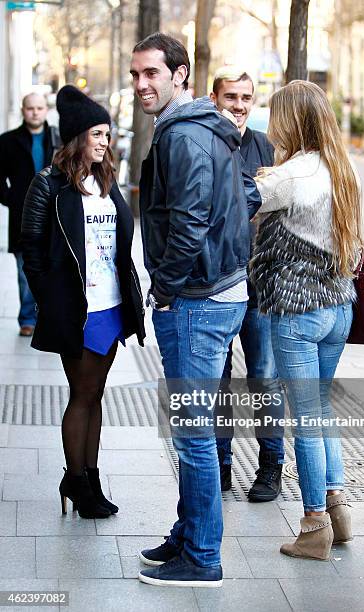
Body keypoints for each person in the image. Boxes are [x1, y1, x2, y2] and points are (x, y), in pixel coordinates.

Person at [130, 33, 260, 587]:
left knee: (193, 434)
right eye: (135, 74)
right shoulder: (206, 128)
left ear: (180, 75)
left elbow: (189, 222)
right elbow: (244, 198)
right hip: (216, 291)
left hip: (198, 300)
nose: (141, 84)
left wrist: (166, 285)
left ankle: (203, 556)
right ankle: (188, 532)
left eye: (153, 74)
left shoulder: (185, 135)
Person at [21, 85, 145, 519]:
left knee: (96, 394)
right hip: (78, 307)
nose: (103, 142)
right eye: (95, 134)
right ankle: (75, 479)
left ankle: (89, 477)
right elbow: (31, 249)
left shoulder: (106, 182)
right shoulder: (49, 184)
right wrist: (50, 300)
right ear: (76, 137)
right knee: (82, 393)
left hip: (111, 304)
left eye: (107, 135)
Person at [250, 80, 362, 560]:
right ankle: (338, 507)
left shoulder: (287, 176)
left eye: (275, 115)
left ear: (290, 120)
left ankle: (313, 523)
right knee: (320, 410)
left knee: (307, 421)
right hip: (340, 305)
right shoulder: (343, 168)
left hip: (299, 310)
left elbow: (239, 205)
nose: (270, 124)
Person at [210, 67, 285, 502]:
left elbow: (272, 211)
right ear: (214, 98)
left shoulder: (265, 147)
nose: (239, 105)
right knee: (217, 382)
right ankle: (220, 464)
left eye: (246, 98)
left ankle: (270, 467)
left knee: (264, 379)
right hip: (217, 285)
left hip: (258, 289)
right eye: (231, 97)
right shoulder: (206, 143)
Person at [0, 93, 61, 336]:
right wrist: (11, 200)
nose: (35, 112)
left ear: (46, 110)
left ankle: (49, 317)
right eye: (30, 108)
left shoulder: (58, 139)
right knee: (25, 270)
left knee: (54, 267)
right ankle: (28, 318)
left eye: (39, 108)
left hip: (54, 214)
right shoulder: (7, 141)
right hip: (22, 217)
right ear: (23, 110)